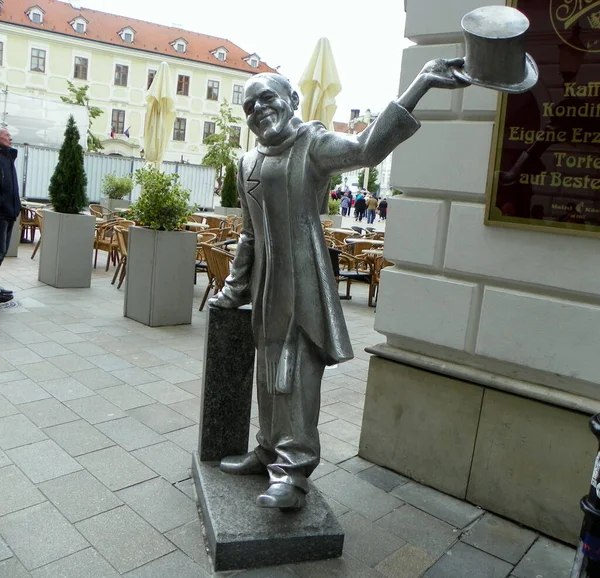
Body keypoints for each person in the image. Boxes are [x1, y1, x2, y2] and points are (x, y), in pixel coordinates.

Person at [209, 59, 468, 510]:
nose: (258, 110)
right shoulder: (247, 160)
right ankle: (269, 449)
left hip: (304, 283)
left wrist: (421, 83)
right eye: (249, 107)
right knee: (269, 372)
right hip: (267, 288)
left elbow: (367, 149)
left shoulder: (313, 144)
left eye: (267, 98)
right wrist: (234, 287)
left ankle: (293, 472)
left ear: (292, 100)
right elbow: (250, 233)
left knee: (296, 374)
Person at [0, 128, 20, 304]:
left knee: (2, 251)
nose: (10, 137)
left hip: (9, 213)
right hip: (1, 213)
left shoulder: (9, 157)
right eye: (6, 135)